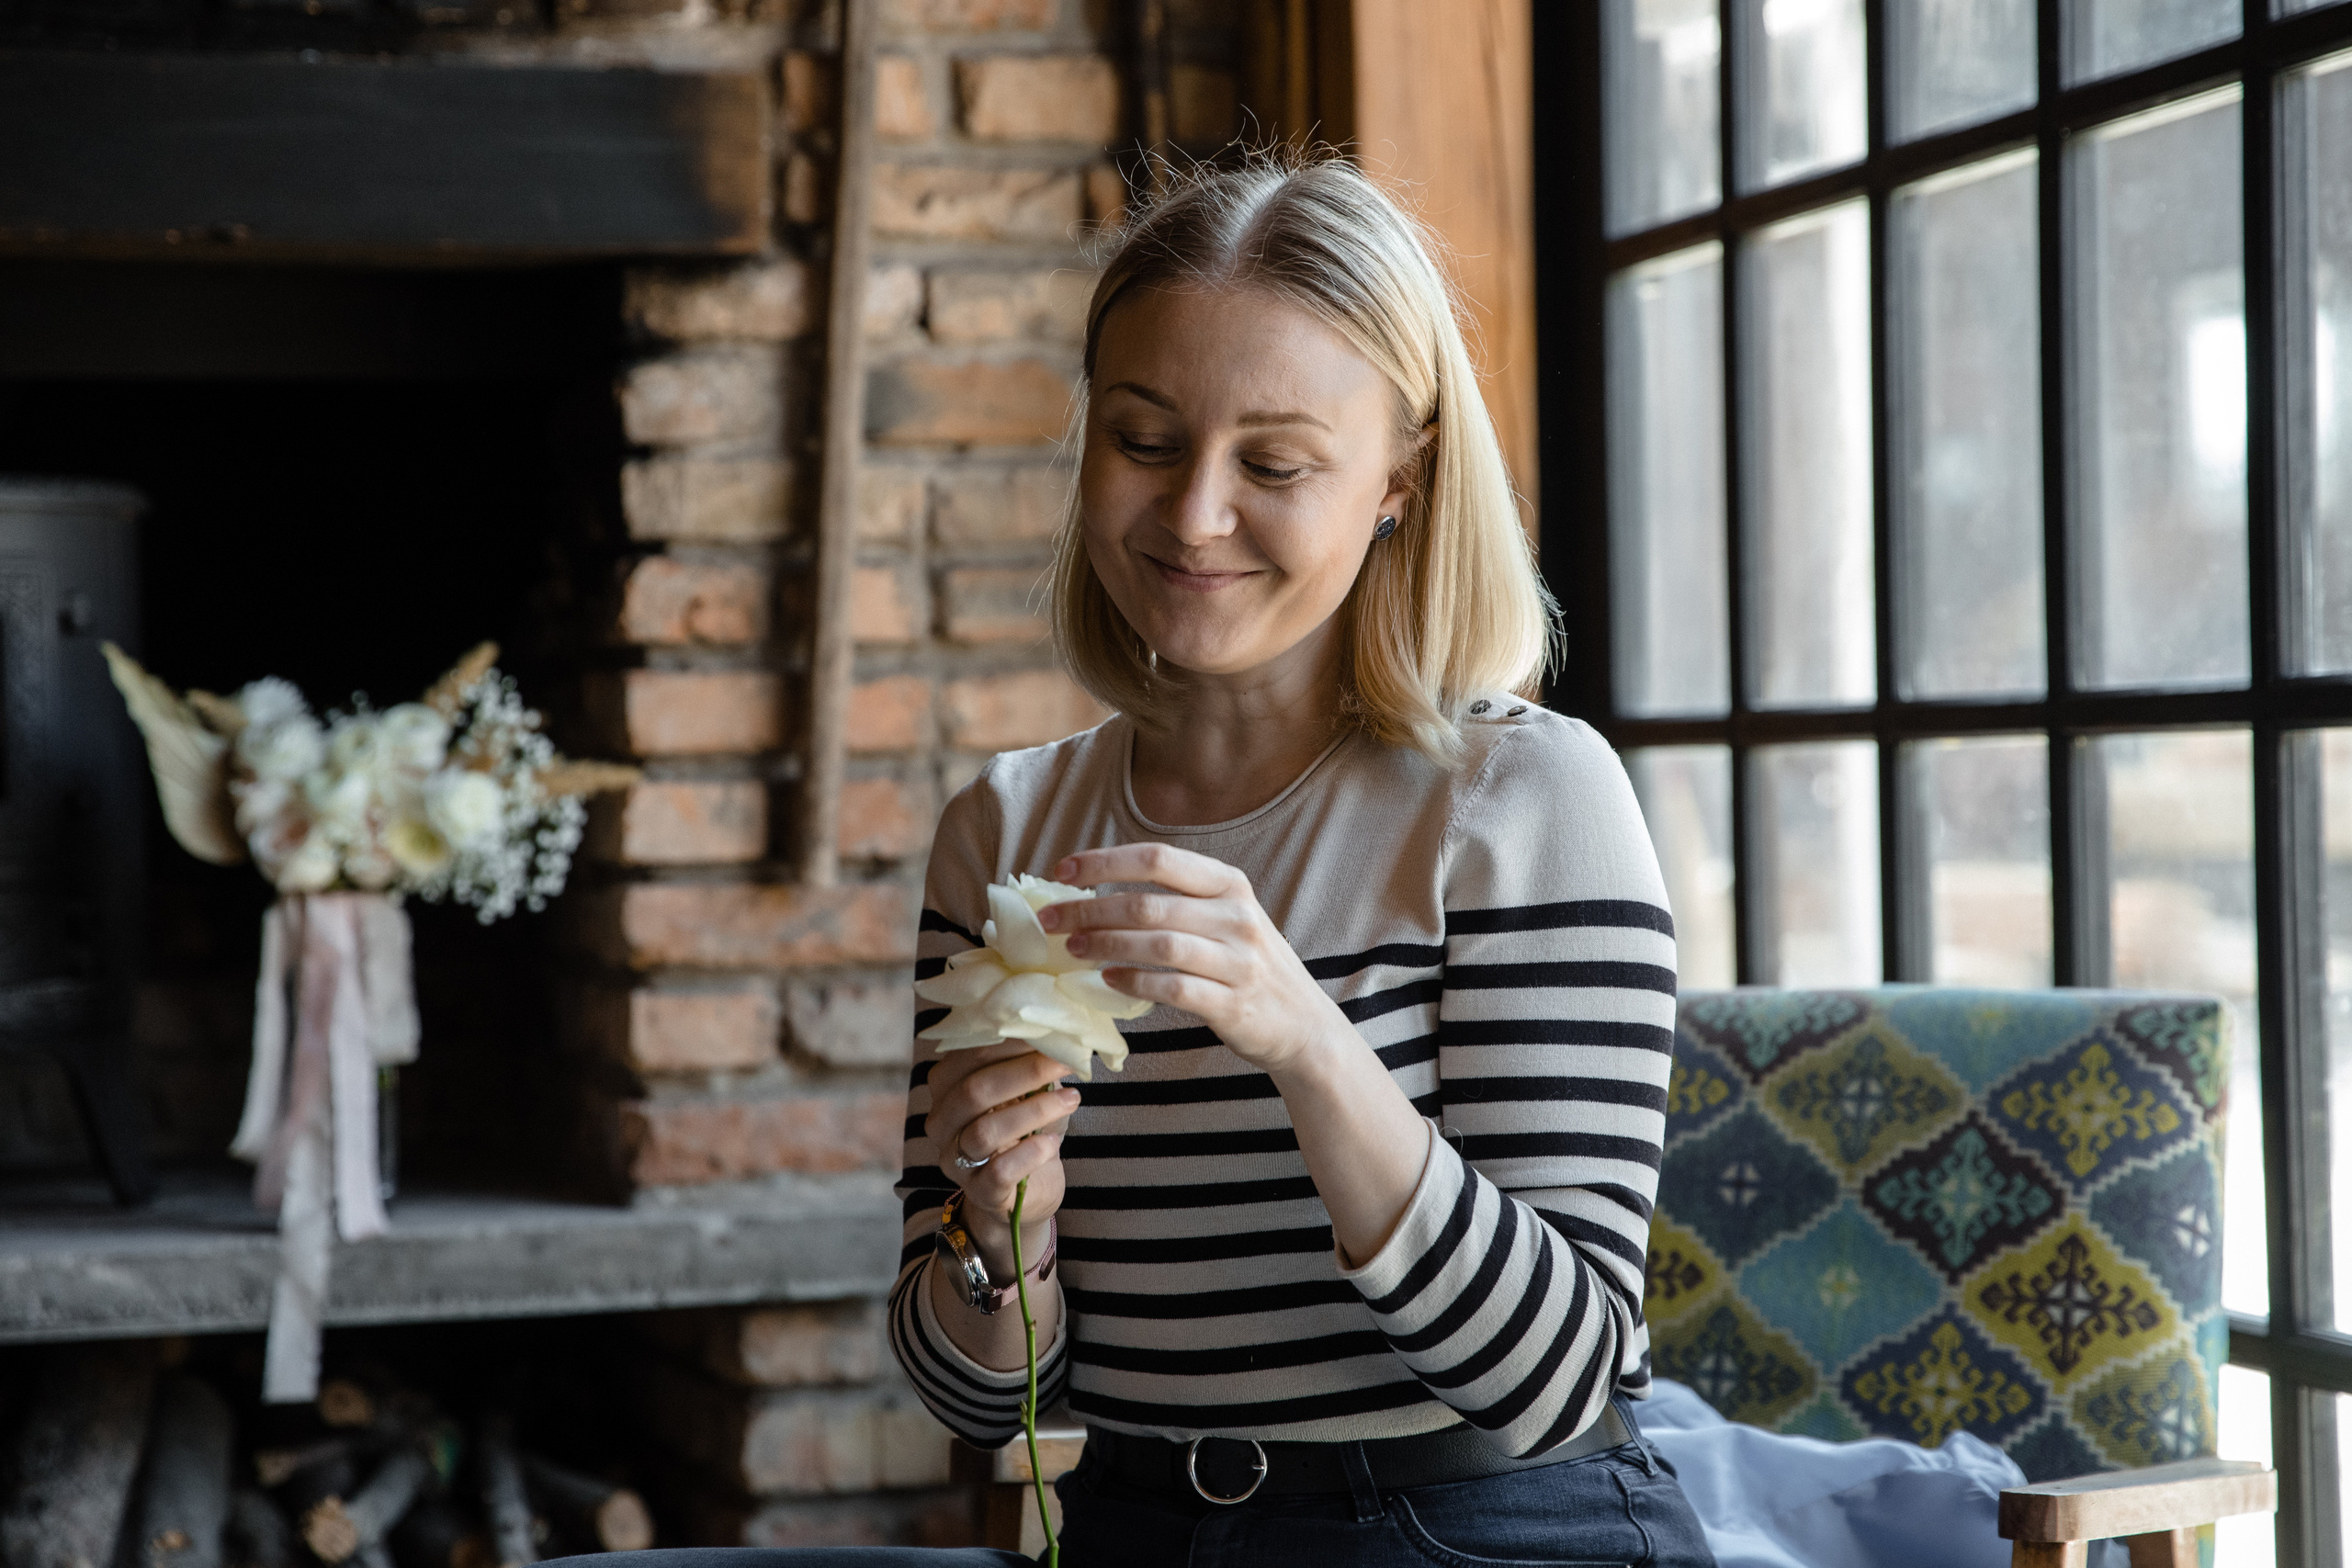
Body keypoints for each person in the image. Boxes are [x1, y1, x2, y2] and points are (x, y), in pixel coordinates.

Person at [571, 152, 1714, 1568]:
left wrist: (1308, 1039)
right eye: (1146, 439)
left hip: (1484, 1526)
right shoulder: (1008, 830)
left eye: (1277, 464)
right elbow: (972, 1396)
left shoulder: (1525, 798)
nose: (1192, 517)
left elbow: (1556, 1380)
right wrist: (1002, 1236)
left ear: (1399, 481)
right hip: (1133, 1527)